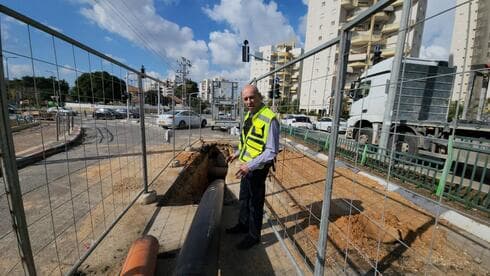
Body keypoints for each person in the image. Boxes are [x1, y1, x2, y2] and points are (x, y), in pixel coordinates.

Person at [226, 84, 279, 250]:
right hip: (246, 167)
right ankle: (242, 225)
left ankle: (254, 236)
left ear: (260, 97)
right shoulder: (250, 115)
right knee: (244, 199)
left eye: (252, 97)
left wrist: (250, 165)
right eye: (246, 98)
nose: (249, 101)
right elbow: (249, 142)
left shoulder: (269, 118)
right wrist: (237, 153)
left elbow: (271, 151)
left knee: (255, 204)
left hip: (257, 169)